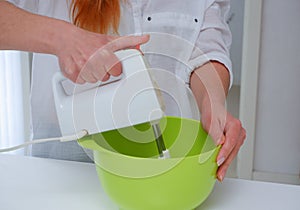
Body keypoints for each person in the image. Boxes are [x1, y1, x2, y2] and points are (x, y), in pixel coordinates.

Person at [0, 0, 245, 182]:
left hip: (160, 168)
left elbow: (208, 47)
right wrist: (62, 38)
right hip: (65, 168)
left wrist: (213, 104)